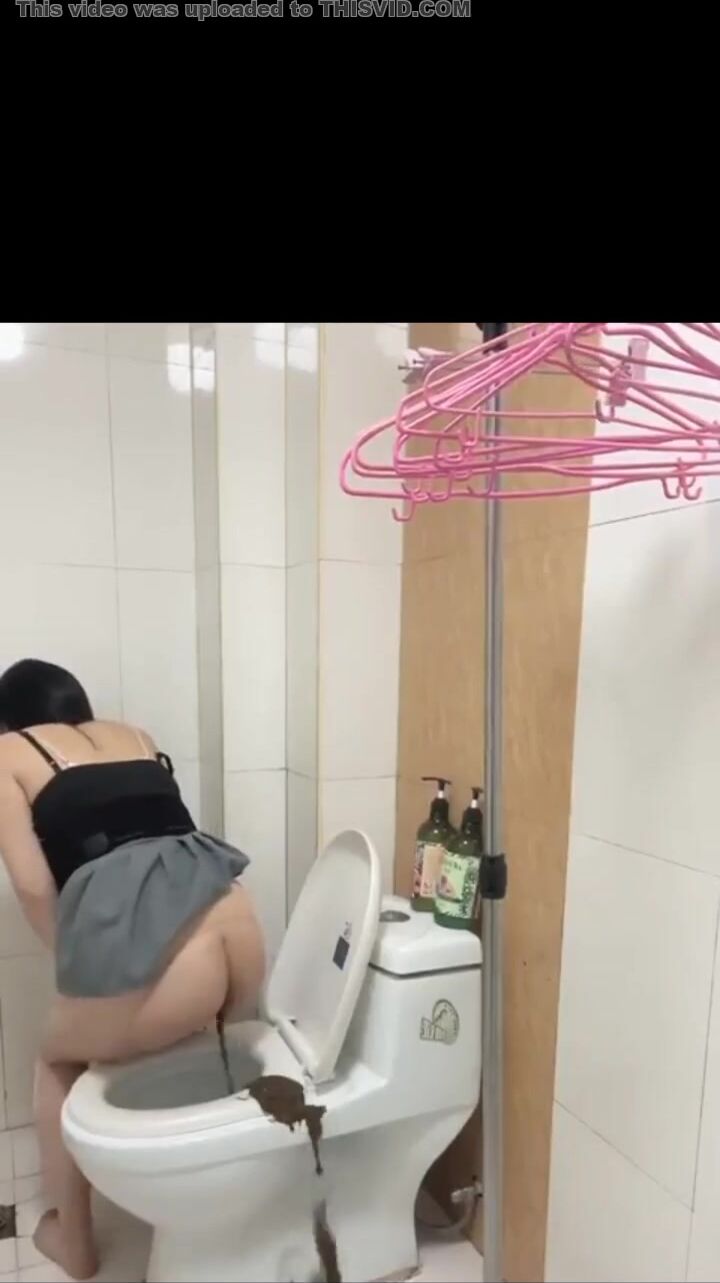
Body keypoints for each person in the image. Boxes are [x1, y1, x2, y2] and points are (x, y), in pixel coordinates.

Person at [0, 659, 266, 1281]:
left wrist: (79, 955)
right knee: (189, 1049)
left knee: (57, 1060)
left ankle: (75, 1244)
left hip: (174, 957)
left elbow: (34, 886)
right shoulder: (135, 736)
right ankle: (211, 1201)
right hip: (241, 927)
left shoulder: (8, 752)